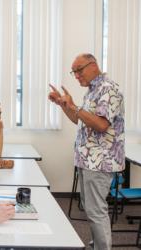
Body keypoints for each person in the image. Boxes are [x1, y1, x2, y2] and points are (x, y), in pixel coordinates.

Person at [48, 53, 125, 250]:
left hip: (100, 161)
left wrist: (74, 105)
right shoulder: (92, 90)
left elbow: (100, 125)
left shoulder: (108, 89)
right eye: (74, 72)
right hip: (86, 160)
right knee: (91, 210)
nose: (76, 75)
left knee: (96, 210)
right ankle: (96, 245)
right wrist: (64, 105)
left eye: (79, 70)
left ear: (93, 65)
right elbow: (79, 120)